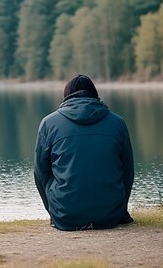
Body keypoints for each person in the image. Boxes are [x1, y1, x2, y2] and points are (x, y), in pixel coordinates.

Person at [34, 74, 134, 230]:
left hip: (65, 215)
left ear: (65, 97)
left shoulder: (48, 123)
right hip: (111, 215)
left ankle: (61, 213)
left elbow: (40, 173)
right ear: (95, 95)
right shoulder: (118, 123)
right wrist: (120, 210)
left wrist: (54, 211)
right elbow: (127, 172)